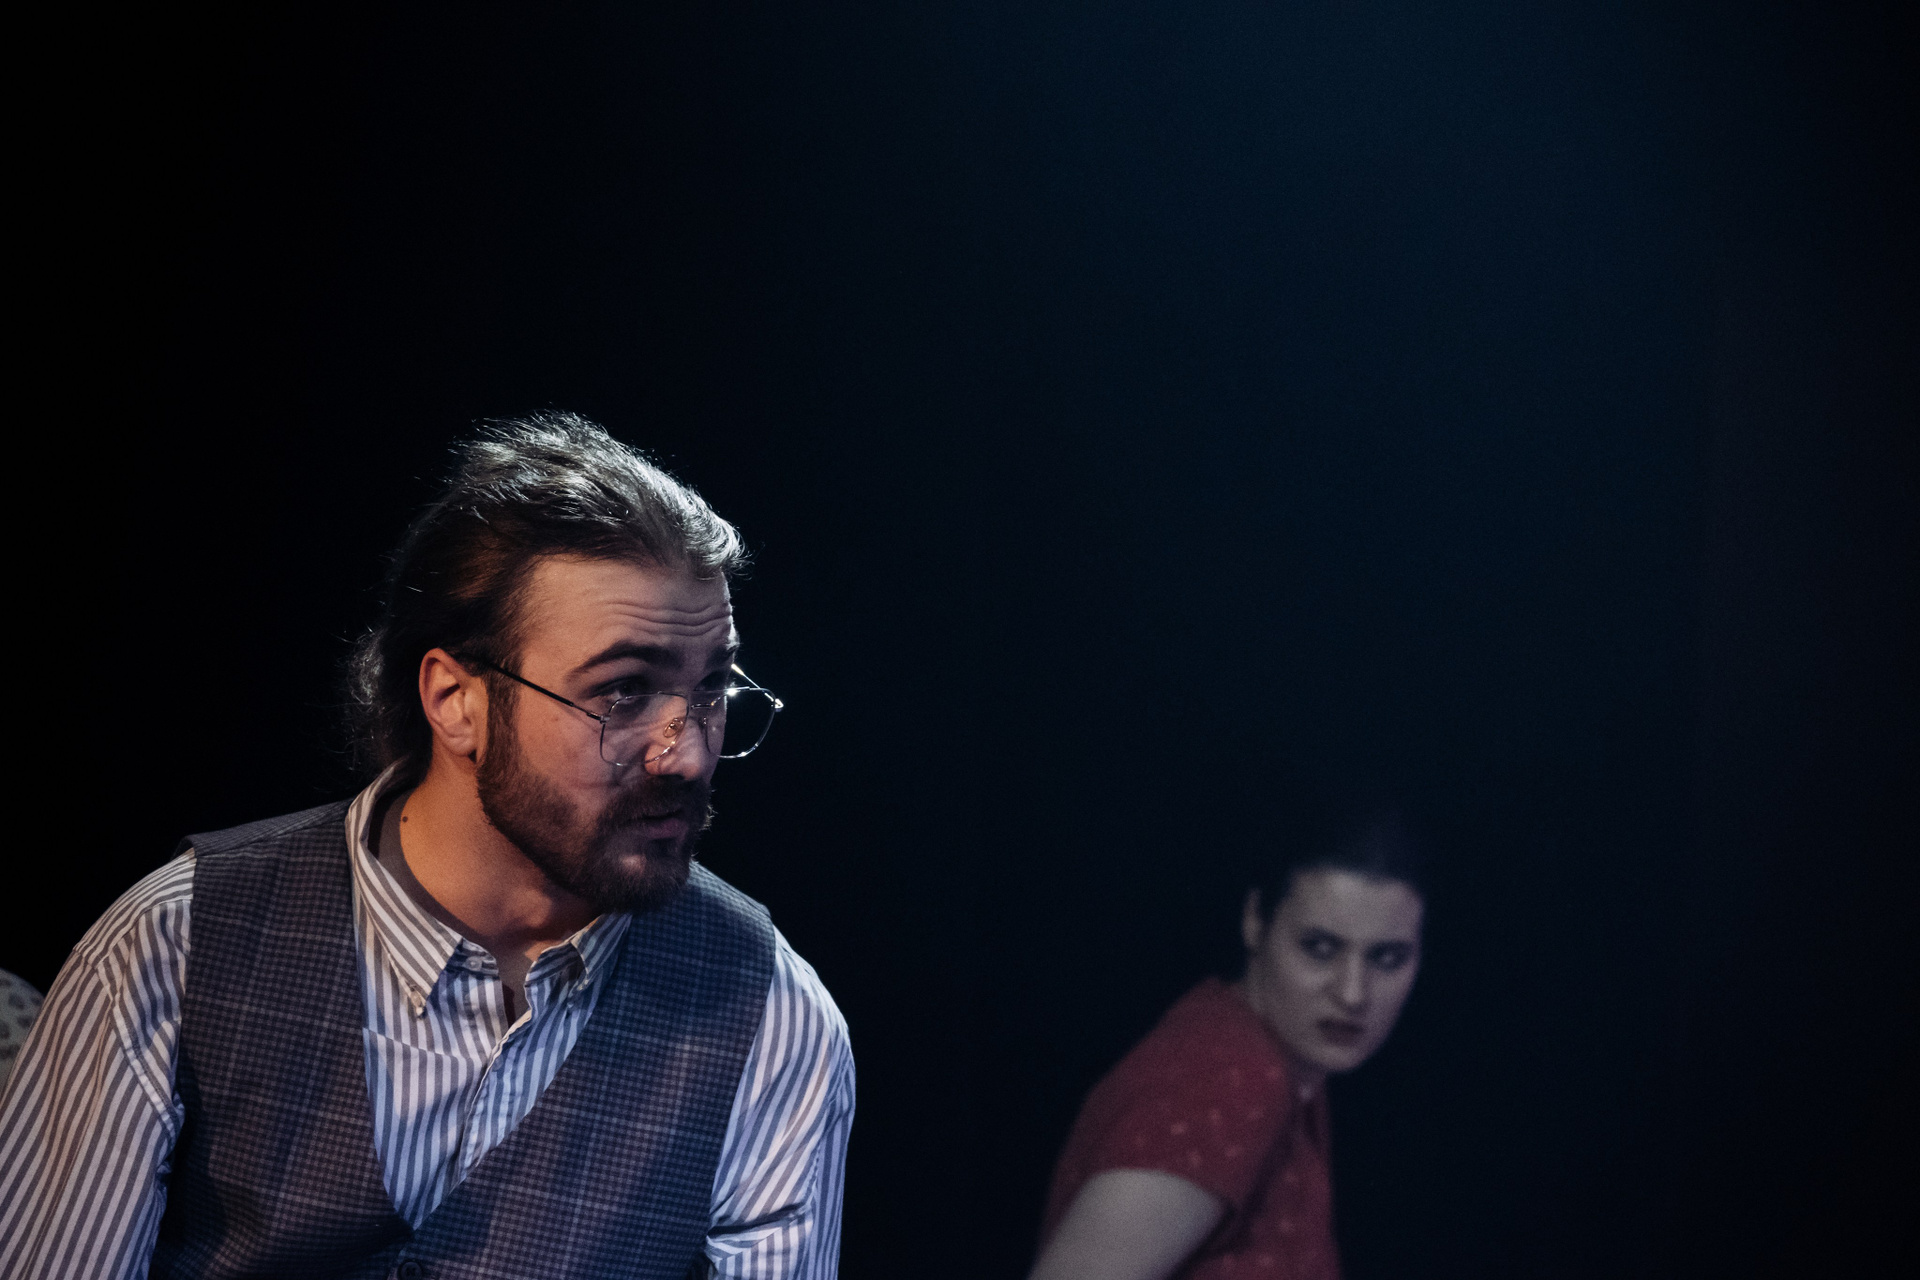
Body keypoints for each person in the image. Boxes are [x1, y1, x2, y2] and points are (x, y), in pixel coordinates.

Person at [0, 414, 854, 1280]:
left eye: (711, 688)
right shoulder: (173, 947)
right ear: (455, 701)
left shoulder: (773, 1017)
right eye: (623, 692)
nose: (691, 755)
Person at [1030, 795, 1426, 1280]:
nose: (1352, 993)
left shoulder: (1283, 1064)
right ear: (1255, 921)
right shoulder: (1231, 1079)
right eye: (1319, 948)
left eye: (1387, 958)